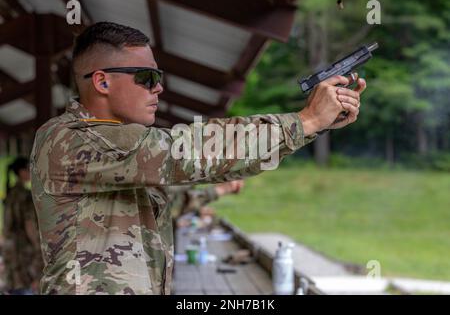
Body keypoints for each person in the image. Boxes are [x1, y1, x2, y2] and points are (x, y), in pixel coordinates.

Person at [30, 22, 366, 295]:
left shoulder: (118, 152)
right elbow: (189, 152)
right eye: (147, 78)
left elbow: (202, 168)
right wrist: (305, 121)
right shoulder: (69, 137)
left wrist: (312, 127)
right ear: (102, 81)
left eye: (157, 78)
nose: (158, 88)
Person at [2, 157, 43, 295]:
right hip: (23, 251)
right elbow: (29, 225)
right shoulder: (24, 196)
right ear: (21, 172)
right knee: (26, 288)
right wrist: (38, 246)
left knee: (15, 287)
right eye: (27, 168)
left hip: (11, 250)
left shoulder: (10, 194)